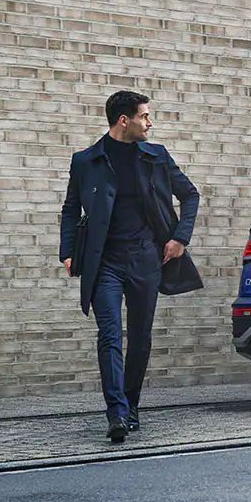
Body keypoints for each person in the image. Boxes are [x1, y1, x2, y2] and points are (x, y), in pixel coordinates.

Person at [59, 91, 202, 443]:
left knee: (140, 337)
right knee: (109, 334)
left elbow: (190, 195)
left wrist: (180, 238)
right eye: (145, 116)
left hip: (145, 258)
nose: (150, 122)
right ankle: (116, 412)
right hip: (103, 261)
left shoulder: (156, 156)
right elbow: (71, 208)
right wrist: (67, 252)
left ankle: (131, 404)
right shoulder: (86, 161)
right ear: (124, 120)